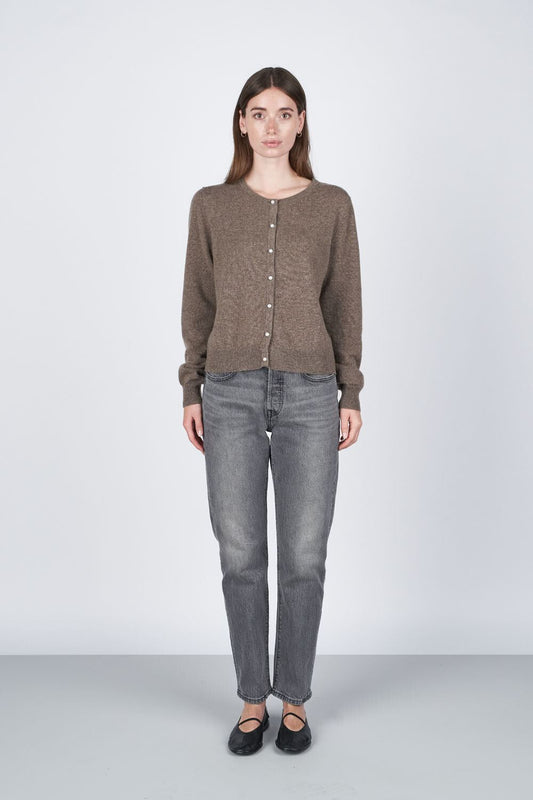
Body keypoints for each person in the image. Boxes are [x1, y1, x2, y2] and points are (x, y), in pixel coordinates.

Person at [178, 66, 364, 755]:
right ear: (241, 123)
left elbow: (344, 302)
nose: (271, 126)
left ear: (301, 122)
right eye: (258, 113)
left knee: (304, 556)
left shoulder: (332, 205)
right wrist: (191, 387)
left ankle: (296, 700)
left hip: (311, 393)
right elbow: (198, 300)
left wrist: (350, 390)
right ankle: (252, 699)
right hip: (227, 391)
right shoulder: (211, 205)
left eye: (284, 113)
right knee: (240, 554)